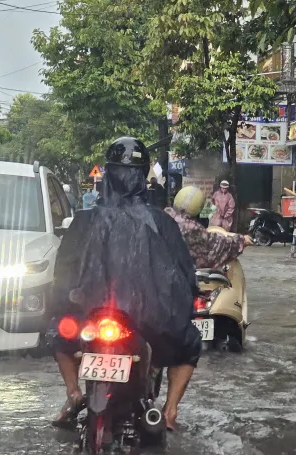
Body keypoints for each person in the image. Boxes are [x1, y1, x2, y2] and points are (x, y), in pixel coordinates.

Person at [47, 136, 201, 432]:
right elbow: (184, 273)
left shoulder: (84, 219)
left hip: (88, 315)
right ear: (144, 175)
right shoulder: (162, 222)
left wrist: (62, 302)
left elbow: (62, 271)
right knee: (189, 341)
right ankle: (170, 410)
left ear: (107, 173)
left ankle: (72, 393)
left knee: (59, 329)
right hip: (148, 321)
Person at [166, 186, 252, 269]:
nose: (224, 188)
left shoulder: (165, 216)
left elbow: (230, 206)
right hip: (180, 276)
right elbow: (216, 246)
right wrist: (241, 240)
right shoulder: (190, 228)